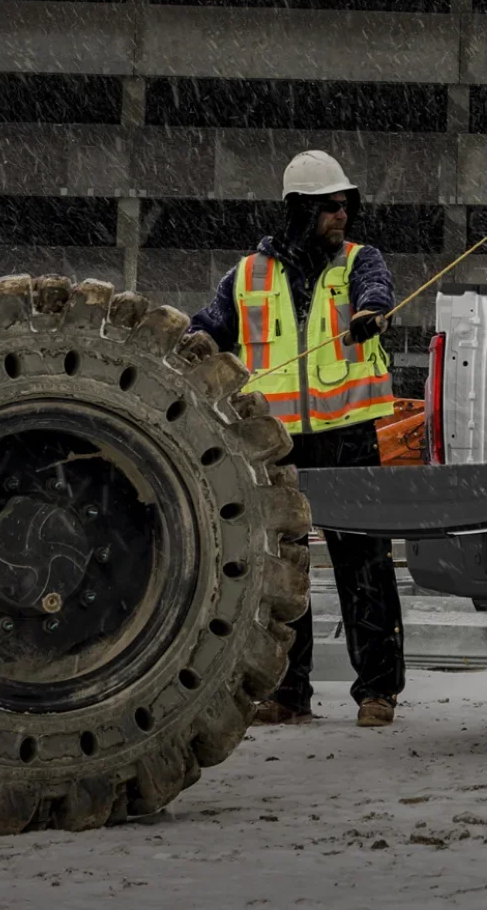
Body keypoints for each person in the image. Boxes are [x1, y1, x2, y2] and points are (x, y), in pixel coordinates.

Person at [188, 149, 404, 729]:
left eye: (345, 206)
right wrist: (181, 348)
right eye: (330, 207)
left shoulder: (360, 262)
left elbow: (376, 289)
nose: (342, 216)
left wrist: (372, 313)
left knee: (365, 566)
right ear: (300, 210)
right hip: (277, 444)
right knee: (284, 572)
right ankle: (288, 693)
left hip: (349, 435)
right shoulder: (247, 276)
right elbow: (206, 332)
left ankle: (377, 692)